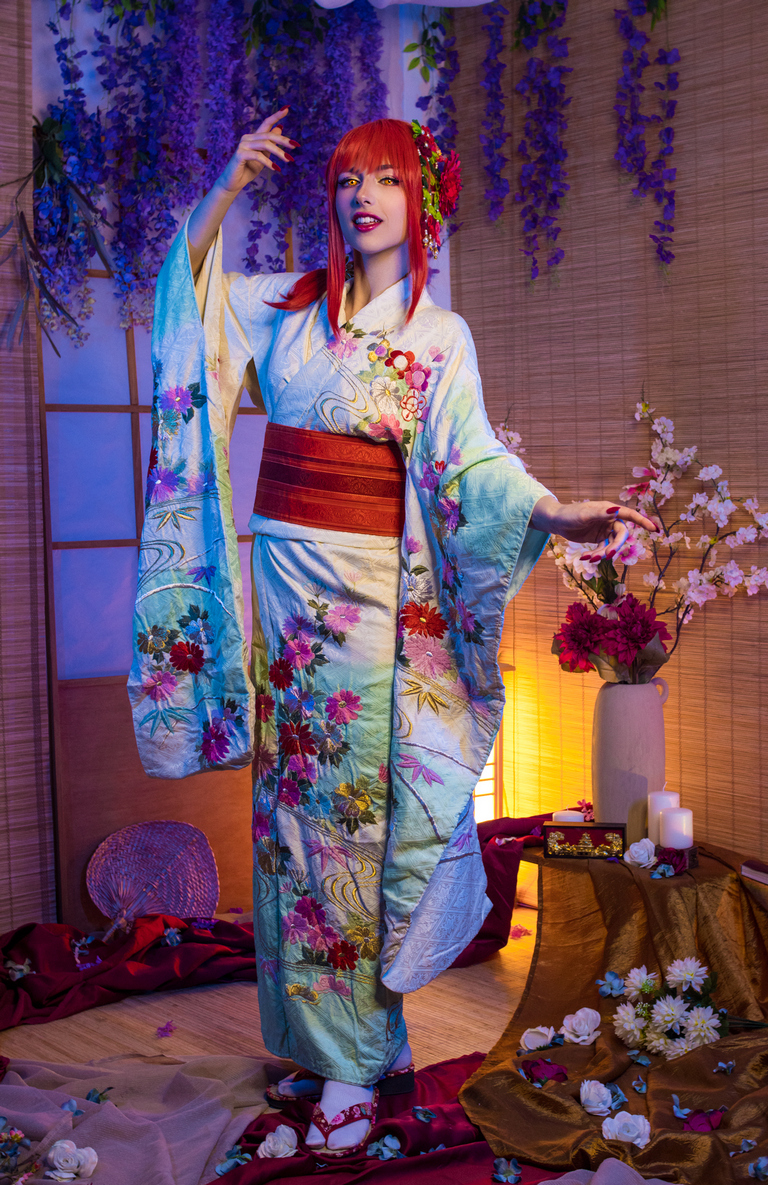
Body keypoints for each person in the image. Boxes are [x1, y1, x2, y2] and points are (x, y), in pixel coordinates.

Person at [128, 108, 655, 1155]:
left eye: (386, 181)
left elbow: (471, 465)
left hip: (370, 613)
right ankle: (336, 1050)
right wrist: (227, 185)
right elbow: (187, 304)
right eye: (346, 181)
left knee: (349, 830)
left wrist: (555, 513)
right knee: (288, 834)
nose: (361, 198)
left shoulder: (438, 336)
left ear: (423, 204)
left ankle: (356, 1065)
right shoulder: (288, 310)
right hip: (285, 606)